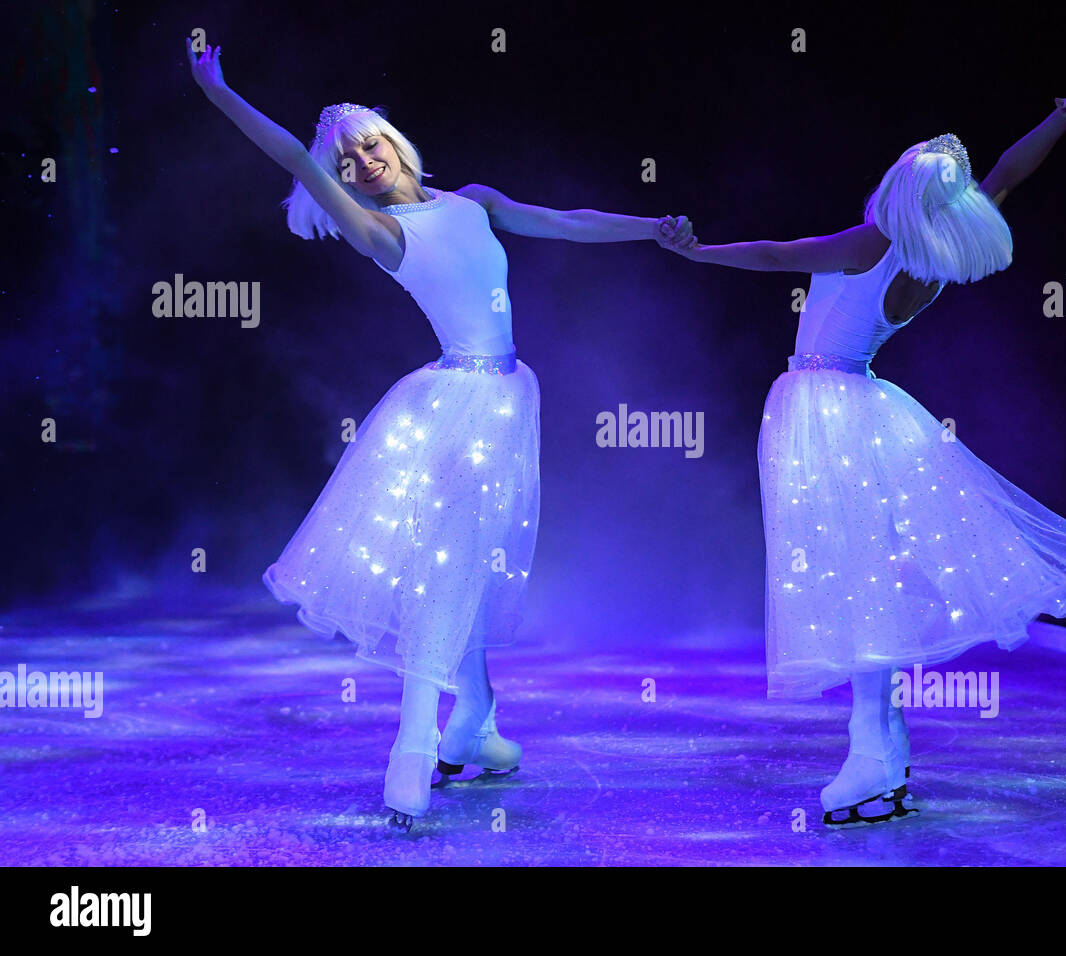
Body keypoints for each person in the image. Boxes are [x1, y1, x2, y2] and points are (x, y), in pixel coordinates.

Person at [187, 41, 694, 829]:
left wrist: (648, 229)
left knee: (469, 567)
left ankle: (476, 724)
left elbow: (561, 222)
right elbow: (291, 151)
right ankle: (412, 751)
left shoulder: (472, 201)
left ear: (395, 142)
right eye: (347, 161)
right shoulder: (379, 232)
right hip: (452, 405)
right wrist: (218, 91)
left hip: (508, 397)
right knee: (448, 569)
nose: (361, 160)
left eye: (370, 143)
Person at [658, 96, 1066, 827]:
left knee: (853, 585)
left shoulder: (872, 242)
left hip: (824, 411)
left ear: (897, 189)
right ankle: (882, 750)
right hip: (865, 406)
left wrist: (698, 252)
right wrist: (1058, 122)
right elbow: (1004, 177)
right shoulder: (939, 252)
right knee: (867, 579)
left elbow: (776, 254)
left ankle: (871, 756)